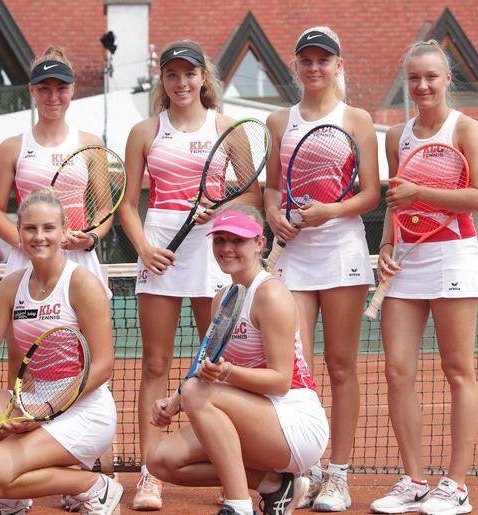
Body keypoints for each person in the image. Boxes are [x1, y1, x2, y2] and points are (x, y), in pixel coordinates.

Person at [116, 40, 263, 510]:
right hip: (160, 245)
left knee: (216, 364)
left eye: (189, 74)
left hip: (215, 250)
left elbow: (253, 198)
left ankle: (229, 467)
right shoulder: (144, 131)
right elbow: (127, 204)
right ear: (163, 80)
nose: (181, 83)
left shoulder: (227, 129)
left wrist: (219, 209)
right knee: (155, 364)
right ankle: (148, 473)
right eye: (172, 74)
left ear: (204, 78)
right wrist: (144, 247)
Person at [0, 189, 121, 515]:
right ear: (18, 233)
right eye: (30, 228)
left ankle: (92, 487)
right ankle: (9, 500)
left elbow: (103, 366)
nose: (39, 236)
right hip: (32, 400)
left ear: (63, 232)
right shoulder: (12, 286)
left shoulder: (83, 284)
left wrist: (45, 411)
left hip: (84, 409)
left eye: (48, 228)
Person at [0, 47, 116, 506]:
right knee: (25, 367)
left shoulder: (91, 143)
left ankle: (90, 475)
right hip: (27, 265)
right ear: (33, 92)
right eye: (44, 87)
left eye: (60, 87)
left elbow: (104, 215)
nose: (52, 95)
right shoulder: (12, 147)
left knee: (87, 361)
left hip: (79, 266)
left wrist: (91, 239)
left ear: (72, 91)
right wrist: (29, 243)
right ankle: (27, 471)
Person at [370, 40, 478, 515]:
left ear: (447, 80)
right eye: (414, 78)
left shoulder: (467, 128)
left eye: (431, 77)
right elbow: (395, 202)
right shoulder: (395, 136)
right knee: (397, 371)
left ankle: (456, 486)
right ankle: (414, 480)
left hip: (452, 259)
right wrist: (384, 246)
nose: (422, 86)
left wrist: (422, 189)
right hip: (405, 261)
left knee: (457, 371)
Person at [263, 26, 380, 511]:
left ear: (337, 64)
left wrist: (328, 212)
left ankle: (339, 474)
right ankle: (304, 469)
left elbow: (372, 193)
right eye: (306, 60)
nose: (315, 68)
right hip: (294, 258)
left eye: (323, 60)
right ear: (296, 66)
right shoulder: (277, 121)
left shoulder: (358, 119)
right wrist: (274, 217)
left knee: (342, 365)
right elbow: (271, 187)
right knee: (296, 368)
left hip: (341, 255)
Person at [147, 205, 328, 515]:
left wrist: (226, 373)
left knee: (197, 394)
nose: (227, 249)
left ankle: (238, 506)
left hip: (295, 423)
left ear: (259, 243)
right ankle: (274, 483)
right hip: (255, 413)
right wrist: (172, 403)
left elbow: (281, 381)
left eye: (238, 240)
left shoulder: (271, 295)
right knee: (161, 460)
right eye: (220, 240)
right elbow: (208, 366)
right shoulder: (223, 298)